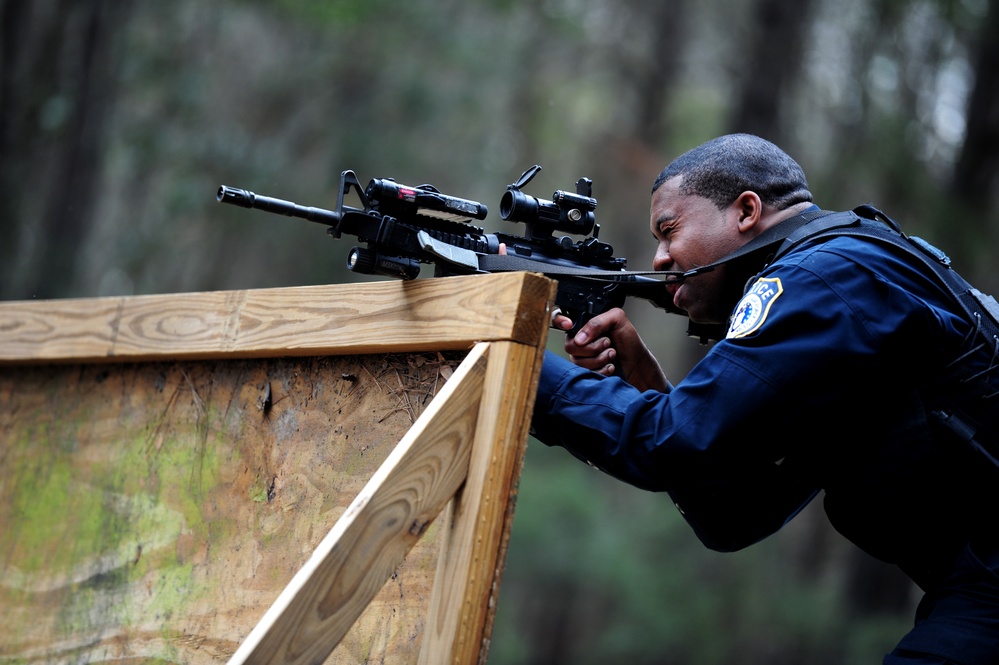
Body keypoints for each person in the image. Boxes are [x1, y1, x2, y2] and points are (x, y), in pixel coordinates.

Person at [529, 133, 999, 664]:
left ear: (747, 211)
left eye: (670, 230)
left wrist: (518, 362)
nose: (660, 260)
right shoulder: (846, 268)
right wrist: (642, 379)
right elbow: (737, 515)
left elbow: (669, 444)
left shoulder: (820, 278)